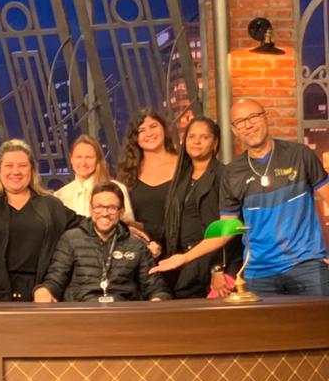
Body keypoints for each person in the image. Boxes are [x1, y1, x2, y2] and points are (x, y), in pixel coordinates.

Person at [153, 99, 329, 297]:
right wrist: (184, 258)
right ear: (234, 130)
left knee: (318, 318)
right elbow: (225, 230)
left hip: (306, 266)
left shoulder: (300, 155)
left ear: (266, 117)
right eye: (240, 122)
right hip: (258, 273)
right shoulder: (232, 173)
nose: (248, 125)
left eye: (253, 117)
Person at [0, 139, 76, 304]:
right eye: (9, 166)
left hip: (38, 296)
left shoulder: (51, 205)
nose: (15, 171)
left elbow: (84, 225)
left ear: (32, 169)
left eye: (22, 166)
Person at [34, 183, 171, 303]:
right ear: (90, 209)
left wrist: (158, 298)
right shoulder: (70, 239)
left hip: (123, 312)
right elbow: (55, 279)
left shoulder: (136, 245)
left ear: (121, 212)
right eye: (98, 207)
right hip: (82, 311)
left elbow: (155, 286)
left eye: (112, 208)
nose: (104, 213)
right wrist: (44, 290)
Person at [162, 117, 239, 298]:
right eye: (191, 137)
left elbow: (225, 228)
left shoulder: (223, 175)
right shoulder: (182, 178)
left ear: (215, 143)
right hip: (186, 263)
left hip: (213, 266)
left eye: (204, 137)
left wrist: (217, 269)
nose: (196, 142)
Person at [116, 110, 178, 255]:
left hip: (179, 249)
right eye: (141, 130)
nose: (149, 133)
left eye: (153, 126)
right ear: (135, 138)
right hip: (141, 250)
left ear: (164, 129)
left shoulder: (183, 166)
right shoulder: (128, 171)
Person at [54, 134, 132, 219]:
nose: (83, 163)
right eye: (79, 157)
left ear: (98, 159)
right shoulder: (60, 196)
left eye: (89, 157)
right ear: (71, 159)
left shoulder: (117, 189)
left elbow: (128, 224)